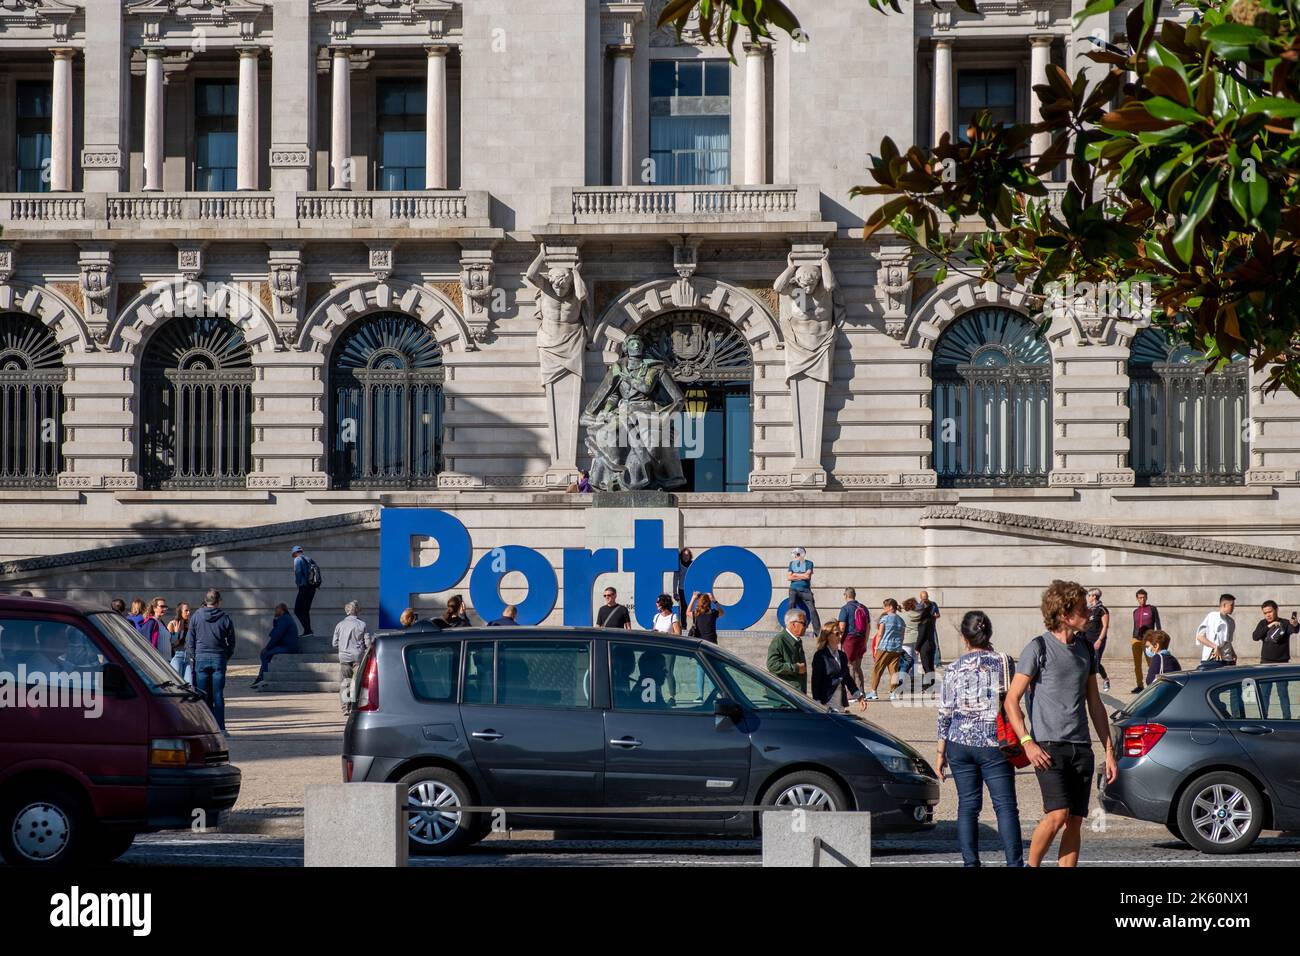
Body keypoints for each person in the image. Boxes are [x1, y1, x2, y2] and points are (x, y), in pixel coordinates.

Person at [1003, 580, 1118, 868]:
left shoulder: (1086, 650)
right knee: (1057, 815)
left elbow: (1095, 703)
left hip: (1081, 748)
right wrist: (1027, 743)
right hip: (1048, 748)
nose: (1089, 613)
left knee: (1075, 822)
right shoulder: (1038, 648)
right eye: (1082, 609)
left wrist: (1109, 750)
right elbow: (1011, 700)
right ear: (1065, 614)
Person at [935, 610, 1024, 867]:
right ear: (989, 634)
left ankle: (970, 863)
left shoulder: (952, 668)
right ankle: (1014, 863)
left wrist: (940, 753)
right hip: (994, 741)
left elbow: (945, 712)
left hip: (958, 742)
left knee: (968, 807)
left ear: (965, 637)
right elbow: (1012, 700)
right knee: (1005, 806)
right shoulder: (1003, 661)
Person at [190, 589, 237, 732]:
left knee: (202, 694)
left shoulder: (196, 616)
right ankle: (221, 728)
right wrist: (225, 656)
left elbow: (190, 640)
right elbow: (232, 641)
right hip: (218, 657)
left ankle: (204, 727)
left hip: (201, 658)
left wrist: (195, 655)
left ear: (206, 600)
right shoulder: (225, 618)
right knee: (218, 695)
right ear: (218, 602)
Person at [811, 622, 864, 712]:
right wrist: (817, 701)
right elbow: (816, 680)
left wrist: (858, 696)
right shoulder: (820, 655)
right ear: (828, 636)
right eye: (837, 634)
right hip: (826, 700)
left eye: (841, 633)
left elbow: (847, 677)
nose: (840, 636)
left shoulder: (842, 655)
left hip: (840, 701)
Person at [332, 600, 373, 716]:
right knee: (357, 682)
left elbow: (334, 643)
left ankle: (345, 707)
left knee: (345, 681)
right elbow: (368, 643)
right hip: (357, 656)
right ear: (357, 611)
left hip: (344, 657)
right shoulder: (362, 624)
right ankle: (355, 706)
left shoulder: (339, 625)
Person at [252, 603, 299, 689]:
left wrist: (267, 648)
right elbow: (276, 631)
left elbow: (276, 636)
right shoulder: (284, 619)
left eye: (277, 609)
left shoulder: (285, 619)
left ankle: (263, 678)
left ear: (282, 610)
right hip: (287, 645)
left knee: (264, 654)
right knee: (266, 655)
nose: (275, 611)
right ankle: (260, 677)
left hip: (288, 647)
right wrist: (275, 620)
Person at [867, 598, 905, 701]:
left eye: (885, 606)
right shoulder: (901, 621)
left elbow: (880, 634)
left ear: (890, 607)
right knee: (894, 671)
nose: (884, 608)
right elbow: (902, 636)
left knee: (877, 669)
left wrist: (876, 648)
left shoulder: (885, 619)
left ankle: (873, 691)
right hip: (896, 648)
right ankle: (893, 693)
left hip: (884, 647)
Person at [837, 587, 871, 696]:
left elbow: (842, 627)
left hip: (849, 639)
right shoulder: (864, 608)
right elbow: (868, 627)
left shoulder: (845, 608)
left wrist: (838, 639)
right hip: (861, 639)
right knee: (857, 666)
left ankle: (851, 693)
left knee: (849, 666)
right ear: (854, 595)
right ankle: (861, 691)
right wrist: (865, 641)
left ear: (845, 595)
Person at [767, 607, 809, 694]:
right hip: (784, 696)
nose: (807, 626)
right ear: (793, 624)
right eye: (804, 623)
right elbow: (772, 665)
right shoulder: (780, 639)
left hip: (795, 695)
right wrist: (795, 668)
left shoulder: (797, 640)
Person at [1130, 589, 1161, 693]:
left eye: (1144, 597)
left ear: (1146, 598)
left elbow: (1158, 625)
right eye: (1140, 598)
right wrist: (1134, 636)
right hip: (1136, 640)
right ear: (1137, 599)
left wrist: (1157, 640)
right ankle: (1139, 685)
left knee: (1151, 663)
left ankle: (1153, 684)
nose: (1142, 599)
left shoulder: (1152, 609)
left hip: (1149, 640)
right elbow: (1135, 626)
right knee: (1137, 664)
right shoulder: (1135, 611)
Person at [1196, 593, 1237, 670]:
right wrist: (1215, 647)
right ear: (1224, 605)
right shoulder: (1212, 616)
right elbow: (1200, 636)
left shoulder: (1231, 621)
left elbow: (1228, 641)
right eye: (1231, 605)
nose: (1233, 608)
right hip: (1213, 659)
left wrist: (1233, 653)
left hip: (1228, 659)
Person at [786, 547, 821, 631]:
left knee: (812, 610)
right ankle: (788, 628)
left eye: (799, 554)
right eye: (796, 554)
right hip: (793, 589)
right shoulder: (792, 563)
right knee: (791, 605)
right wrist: (802, 576)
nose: (797, 556)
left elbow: (807, 576)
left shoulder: (809, 563)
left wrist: (795, 575)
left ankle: (818, 632)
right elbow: (789, 577)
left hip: (806, 590)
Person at [1084, 588, 1111, 693]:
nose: (1088, 597)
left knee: (1095, 662)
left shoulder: (1102, 610)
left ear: (1094, 596)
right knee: (1087, 662)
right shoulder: (1088, 609)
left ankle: (1105, 679)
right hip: (1086, 639)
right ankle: (1087, 685)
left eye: (1090, 595)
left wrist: (1099, 640)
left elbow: (1105, 626)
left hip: (1097, 640)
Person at [291, 545, 322, 638]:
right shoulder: (310, 559)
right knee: (305, 610)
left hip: (304, 587)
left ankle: (308, 630)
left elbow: (298, 573)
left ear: (294, 553)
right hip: (313, 588)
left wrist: (298, 585)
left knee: (297, 610)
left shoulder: (298, 559)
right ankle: (307, 631)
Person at [914, 590, 939, 689]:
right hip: (931, 642)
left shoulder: (924, 622)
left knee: (926, 665)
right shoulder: (930, 620)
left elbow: (921, 635)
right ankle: (931, 683)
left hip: (925, 644)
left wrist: (917, 647)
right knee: (930, 664)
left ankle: (927, 684)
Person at [167, 601, 192, 683]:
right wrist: (176, 633)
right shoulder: (172, 624)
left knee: (189, 684)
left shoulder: (188, 625)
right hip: (176, 657)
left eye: (189, 610)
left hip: (187, 658)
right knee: (177, 684)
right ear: (180, 612)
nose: (188, 613)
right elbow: (169, 644)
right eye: (186, 610)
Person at [673, 548, 695, 627]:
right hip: (682, 589)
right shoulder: (678, 565)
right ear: (681, 556)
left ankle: (696, 624)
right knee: (684, 607)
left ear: (690, 556)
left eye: (687, 555)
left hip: (692, 589)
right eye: (683, 555)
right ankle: (684, 625)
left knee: (694, 606)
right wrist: (675, 592)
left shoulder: (693, 564)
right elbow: (675, 578)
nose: (685, 557)